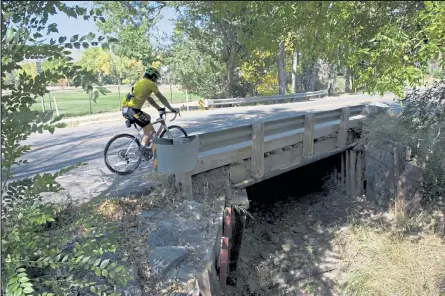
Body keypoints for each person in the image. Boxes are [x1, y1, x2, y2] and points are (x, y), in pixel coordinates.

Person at [121, 67, 179, 160]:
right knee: (150, 131)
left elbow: (150, 100)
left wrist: (159, 108)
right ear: (153, 77)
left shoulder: (141, 82)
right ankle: (141, 149)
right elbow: (161, 98)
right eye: (156, 78)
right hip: (133, 110)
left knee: (148, 117)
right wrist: (171, 109)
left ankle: (145, 139)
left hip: (125, 109)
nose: (156, 80)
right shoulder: (151, 84)